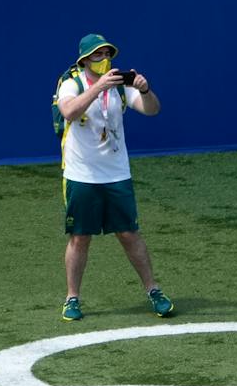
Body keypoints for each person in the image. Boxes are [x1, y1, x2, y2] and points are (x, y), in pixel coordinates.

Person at [52, 33, 172, 321]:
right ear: (84, 60)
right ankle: (72, 298)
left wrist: (144, 90)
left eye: (107, 54)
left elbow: (152, 110)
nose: (104, 60)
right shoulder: (72, 83)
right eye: (97, 55)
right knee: (80, 237)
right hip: (81, 174)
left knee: (129, 233)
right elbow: (68, 110)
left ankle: (153, 290)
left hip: (117, 174)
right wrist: (98, 88)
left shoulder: (119, 86)